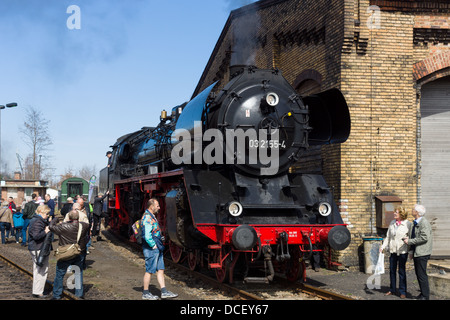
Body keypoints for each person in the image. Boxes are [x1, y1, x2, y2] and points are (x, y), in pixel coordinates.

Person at [141, 198, 178, 300]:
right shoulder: (147, 218)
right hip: (151, 248)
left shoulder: (152, 216)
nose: (159, 207)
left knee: (160, 270)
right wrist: (153, 245)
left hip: (157, 247)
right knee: (149, 270)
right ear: (151, 206)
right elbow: (147, 235)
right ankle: (145, 293)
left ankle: (164, 291)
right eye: (157, 205)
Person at [49, 210, 90, 300]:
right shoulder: (84, 226)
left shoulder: (62, 227)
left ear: (69, 217)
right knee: (78, 273)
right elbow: (86, 222)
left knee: (60, 274)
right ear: (78, 217)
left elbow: (51, 227)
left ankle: (57, 295)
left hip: (65, 253)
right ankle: (79, 294)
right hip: (79, 252)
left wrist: (55, 218)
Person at [403, 204, 433, 300]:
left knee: (422, 274)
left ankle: (425, 296)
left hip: (422, 253)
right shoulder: (414, 223)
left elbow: (424, 238)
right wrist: (411, 251)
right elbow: (413, 236)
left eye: (413, 209)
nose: (412, 210)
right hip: (417, 252)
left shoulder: (424, 223)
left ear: (417, 212)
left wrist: (410, 241)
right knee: (418, 273)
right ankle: (423, 294)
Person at [380, 206, 411, 298]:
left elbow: (410, 238)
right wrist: (383, 247)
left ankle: (403, 291)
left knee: (401, 271)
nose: (394, 213)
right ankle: (392, 289)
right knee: (392, 271)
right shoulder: (392, 223)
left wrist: (410, 251)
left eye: (396, 212)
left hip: (402, 251)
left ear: (401, 214)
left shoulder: (408, 224)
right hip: (393, 251)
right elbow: (388, 237)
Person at [28, 205, 51, 298]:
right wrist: (45, 231)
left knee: (38, 269)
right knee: (41, 270)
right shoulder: (37, 221)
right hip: (38, 248)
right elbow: (36, 236)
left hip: (37, 247)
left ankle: (37, 290)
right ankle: (38, 291)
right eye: (47, 214)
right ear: (41, 212)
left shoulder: (36, 220)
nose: (48, 215)